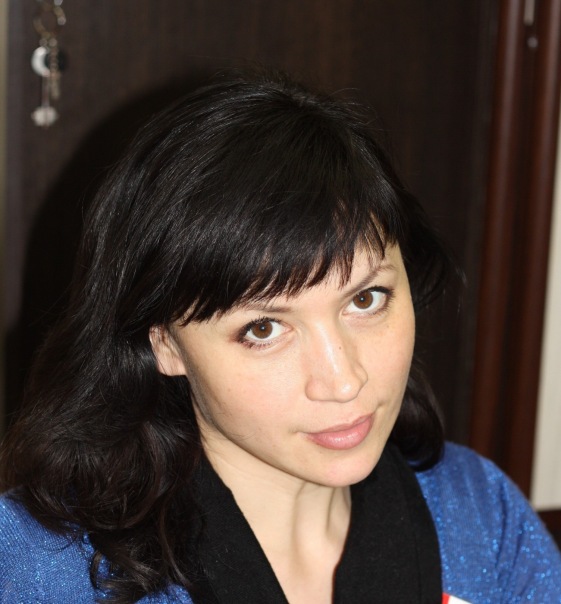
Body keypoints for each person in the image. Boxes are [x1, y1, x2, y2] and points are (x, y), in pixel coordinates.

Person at [0, 69, 560, 604]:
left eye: (366, 299)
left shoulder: (480, 514)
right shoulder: (37, 565)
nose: (343, 381)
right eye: (264, 329)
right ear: (164, 343)